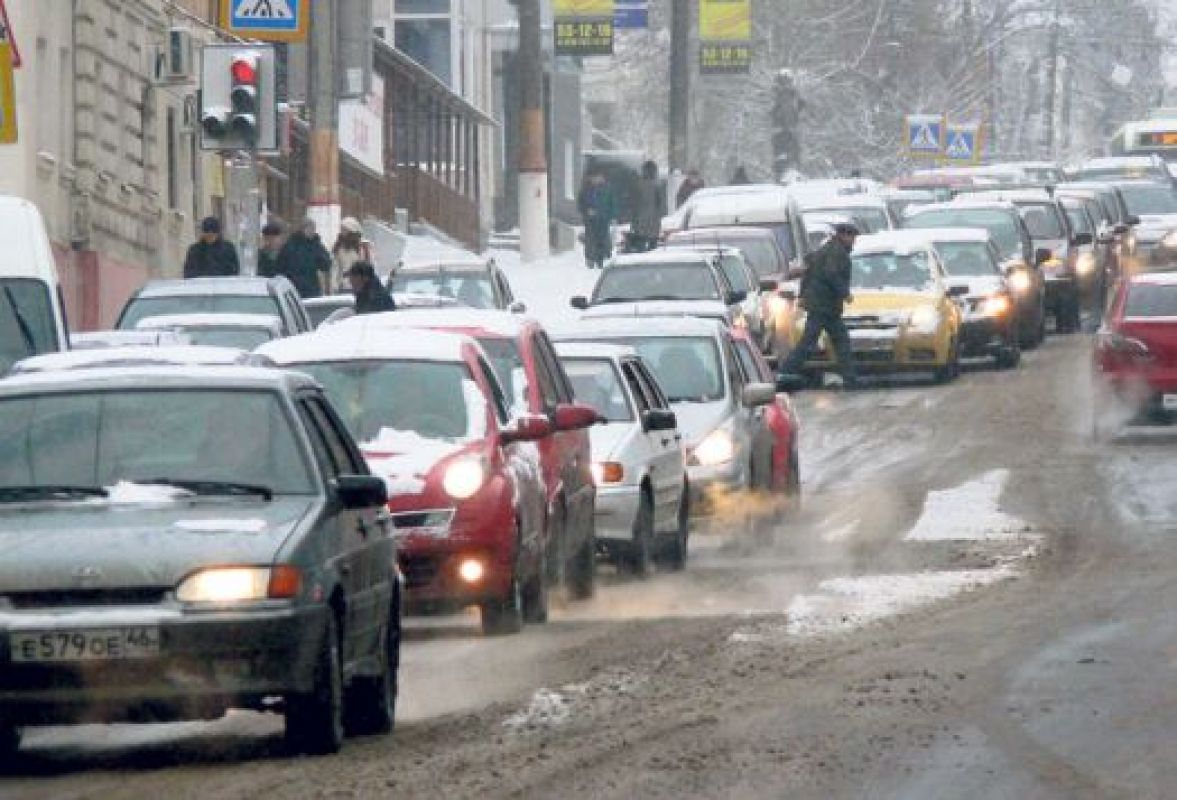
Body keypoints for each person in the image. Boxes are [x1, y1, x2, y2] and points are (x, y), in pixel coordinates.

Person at [777, 222, 860, 389]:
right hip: (825, 306)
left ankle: (850, 378)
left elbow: (808, 274)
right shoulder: (836, 252)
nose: (853, 241)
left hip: (822, 305)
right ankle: (786, 373)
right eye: (851, 237)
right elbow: (831, 274)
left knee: (832, 341)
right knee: (818, 341)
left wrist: (803, 295)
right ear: (843, 235)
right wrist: (845, 293)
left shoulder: (825, 250)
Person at [275, 218, 332, 299]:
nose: (311, 231)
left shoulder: (316, 245)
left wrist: (318, 252)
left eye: (313, 229)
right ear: (302, 229)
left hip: (311, 288)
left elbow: (326, 265)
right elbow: (280, 266)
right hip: (293, 287)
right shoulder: (291, 245)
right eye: (308, 228)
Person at [577, 172, 617, 268]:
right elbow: (580, 204)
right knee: (590, 239)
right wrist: (587, 211)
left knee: (602, 238)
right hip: (590, 220)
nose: (596, 179)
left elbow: (612, 203)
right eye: (594, 177)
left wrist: (612, 216)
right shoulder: (586, 189)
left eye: (598, 177)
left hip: (603, 219)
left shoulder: (607, 189)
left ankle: (600, 258)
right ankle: (590, 258)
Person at [629, 160, 666, 252]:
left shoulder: (638, 183)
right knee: (653, 247)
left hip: (640, 221)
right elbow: (661, 204)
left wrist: (633, 220)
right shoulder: (658, 184)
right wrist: (660, 214)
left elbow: (633, 203)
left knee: (641, 247)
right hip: (653, 221)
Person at [331, 216, 372, 292]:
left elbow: (369, 265)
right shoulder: (339, 246)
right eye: (341, 229)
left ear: (351, 229)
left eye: (344, 229)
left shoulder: (363, 246)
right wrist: (334, 284)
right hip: (343, 285)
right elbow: (335, 267)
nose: (342, 231)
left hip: (360, 286)